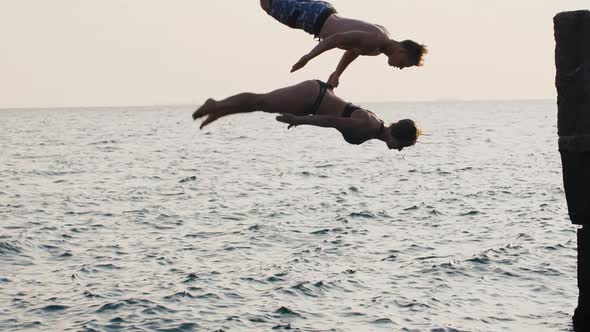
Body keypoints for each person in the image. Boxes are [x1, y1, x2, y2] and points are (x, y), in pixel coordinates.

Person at [192, 80, 420, 151]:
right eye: (402, 145)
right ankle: (216, 104)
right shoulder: (368, 125)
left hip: (316, 102)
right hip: (313, 96)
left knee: (260, 105)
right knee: (261, 101)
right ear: (396, 134)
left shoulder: (375, 128)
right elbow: (330, 121)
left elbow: (331, 119)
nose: (399, 149)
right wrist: (298, 120)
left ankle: (219, 112)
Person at [259, 0, 427, 88]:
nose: (400, 68)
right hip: (314, 18)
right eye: (404, 64)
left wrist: (337, 74)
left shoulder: (379, 47)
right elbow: (336, 39)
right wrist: (308, 57)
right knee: (267, 5)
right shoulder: (377, 40)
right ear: (402, 51)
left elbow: (352, 51)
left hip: (323, 12)